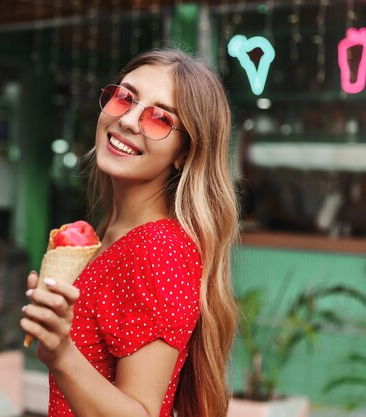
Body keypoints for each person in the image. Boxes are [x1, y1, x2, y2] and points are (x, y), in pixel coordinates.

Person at [20, 48, 239, 417]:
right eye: (125, 98)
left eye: (159, 118)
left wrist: (61, 353)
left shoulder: (158, 249)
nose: (129, 121)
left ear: (184, 153)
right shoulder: (110, 234)